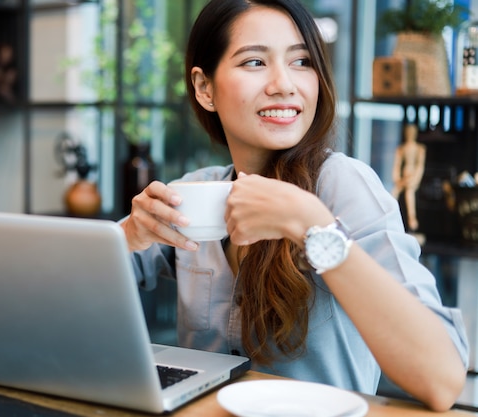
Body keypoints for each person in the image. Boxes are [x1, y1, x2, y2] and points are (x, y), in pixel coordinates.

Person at [119, 0, 468, 411]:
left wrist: (312, 226)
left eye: (302, 61)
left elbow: (442, 380)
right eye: (254, 62)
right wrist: (127, 237)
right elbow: (61, 299)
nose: (285, 84)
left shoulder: (342, 186)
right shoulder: (195, 193)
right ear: (204, 88)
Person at [391, 123, 426, 231]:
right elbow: (396, 165)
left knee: (409, 194)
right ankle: (390, 216)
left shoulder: (420, 148)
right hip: (403, 178)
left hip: (412, 178)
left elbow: (420, 166)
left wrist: (415, 179)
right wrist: (397, 179)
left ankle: (412, 220)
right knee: (393, 193)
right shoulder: (401, 149)